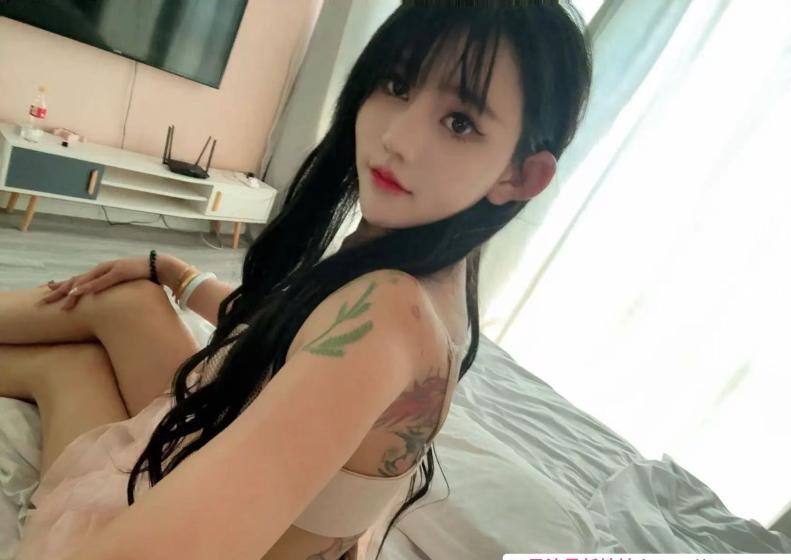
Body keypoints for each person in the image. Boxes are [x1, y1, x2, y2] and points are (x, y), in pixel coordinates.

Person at [0, 1, 592, 558]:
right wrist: (174, 273)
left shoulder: (389, 312)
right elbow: (290, 331)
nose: (396, 138)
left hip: (190, 487)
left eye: (460, 122)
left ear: (520, 176)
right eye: (397, 85)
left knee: (70, 366)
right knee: (131, 298)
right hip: (225, 429)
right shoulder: (435, 278)